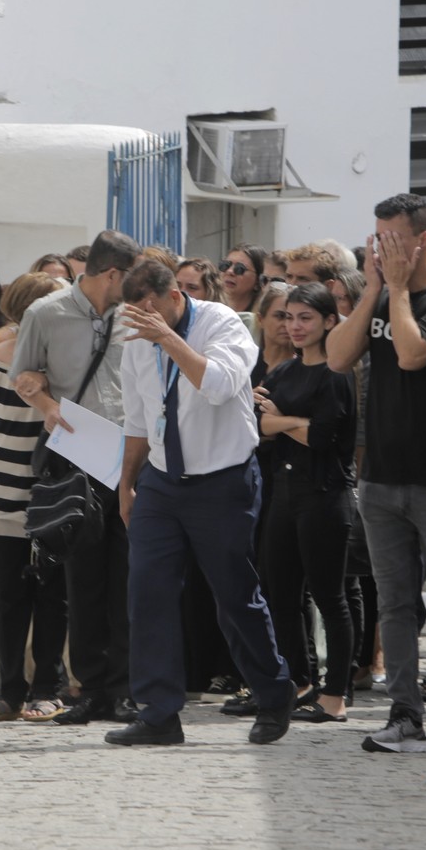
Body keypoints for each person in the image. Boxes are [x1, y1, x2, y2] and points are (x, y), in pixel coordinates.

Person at [107, 260, 294, 747]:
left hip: (222, 481)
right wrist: (126, 484)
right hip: (163, 483)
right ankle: (158, 713)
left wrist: (167, 340)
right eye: (135, 317)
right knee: (146, 592)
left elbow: (218, 386)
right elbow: (138, 418)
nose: (143, 326)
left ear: (174, 298)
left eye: (151, 315)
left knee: (234, 596)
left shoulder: (223, 323)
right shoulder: (137, 338)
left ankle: (274, 695)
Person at [326, 193, 426, 753]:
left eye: (391, 239)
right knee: (395, 603)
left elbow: (412, 355)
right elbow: (339, 357)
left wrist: (399, 289)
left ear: (422, 240)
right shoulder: (382, 297)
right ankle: (404, 713)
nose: (381, 248)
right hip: (381, 477)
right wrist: (373, 291)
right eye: (376, 237)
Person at [13, 229, 143, 725]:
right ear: (113, 273)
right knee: (82, 580)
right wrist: (46, 404)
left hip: (133, 456)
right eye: (129, 276)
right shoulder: (44, 314)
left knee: (128, 576)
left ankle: (126, 686)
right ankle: (90, 689)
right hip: (79, 457)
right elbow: (24, 374)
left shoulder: (136, 317)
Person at [0, 272, 72, 722]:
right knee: (8, 596)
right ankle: (9, 690)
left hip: (55, 493)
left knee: (54, 593)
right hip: (4, 493)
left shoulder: (65, 364)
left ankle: (47, 685)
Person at [256, 283, 357, 722]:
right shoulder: (281, 373)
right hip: (284, 492)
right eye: (287, 317)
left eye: (305, 318)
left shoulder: (337, 374)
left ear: (329, 321)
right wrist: (291, 422)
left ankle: (335, 696)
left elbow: (320, 438)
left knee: (329, 597)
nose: (293, 326)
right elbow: (261, 428)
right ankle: (299, 680)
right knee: (280, 594)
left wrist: (284, 421)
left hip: (324, 495)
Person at [252, 281, 295, 383]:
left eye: (291, 318)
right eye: (280, 316)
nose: (286, 324)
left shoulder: (304, 368)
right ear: (260, 319)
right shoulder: (245, 361)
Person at [219, 245, 267, 316]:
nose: (229, 271)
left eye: (239, 269)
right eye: (225, 265)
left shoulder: (263, 319)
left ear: (258, 281)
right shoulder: (207, 309)